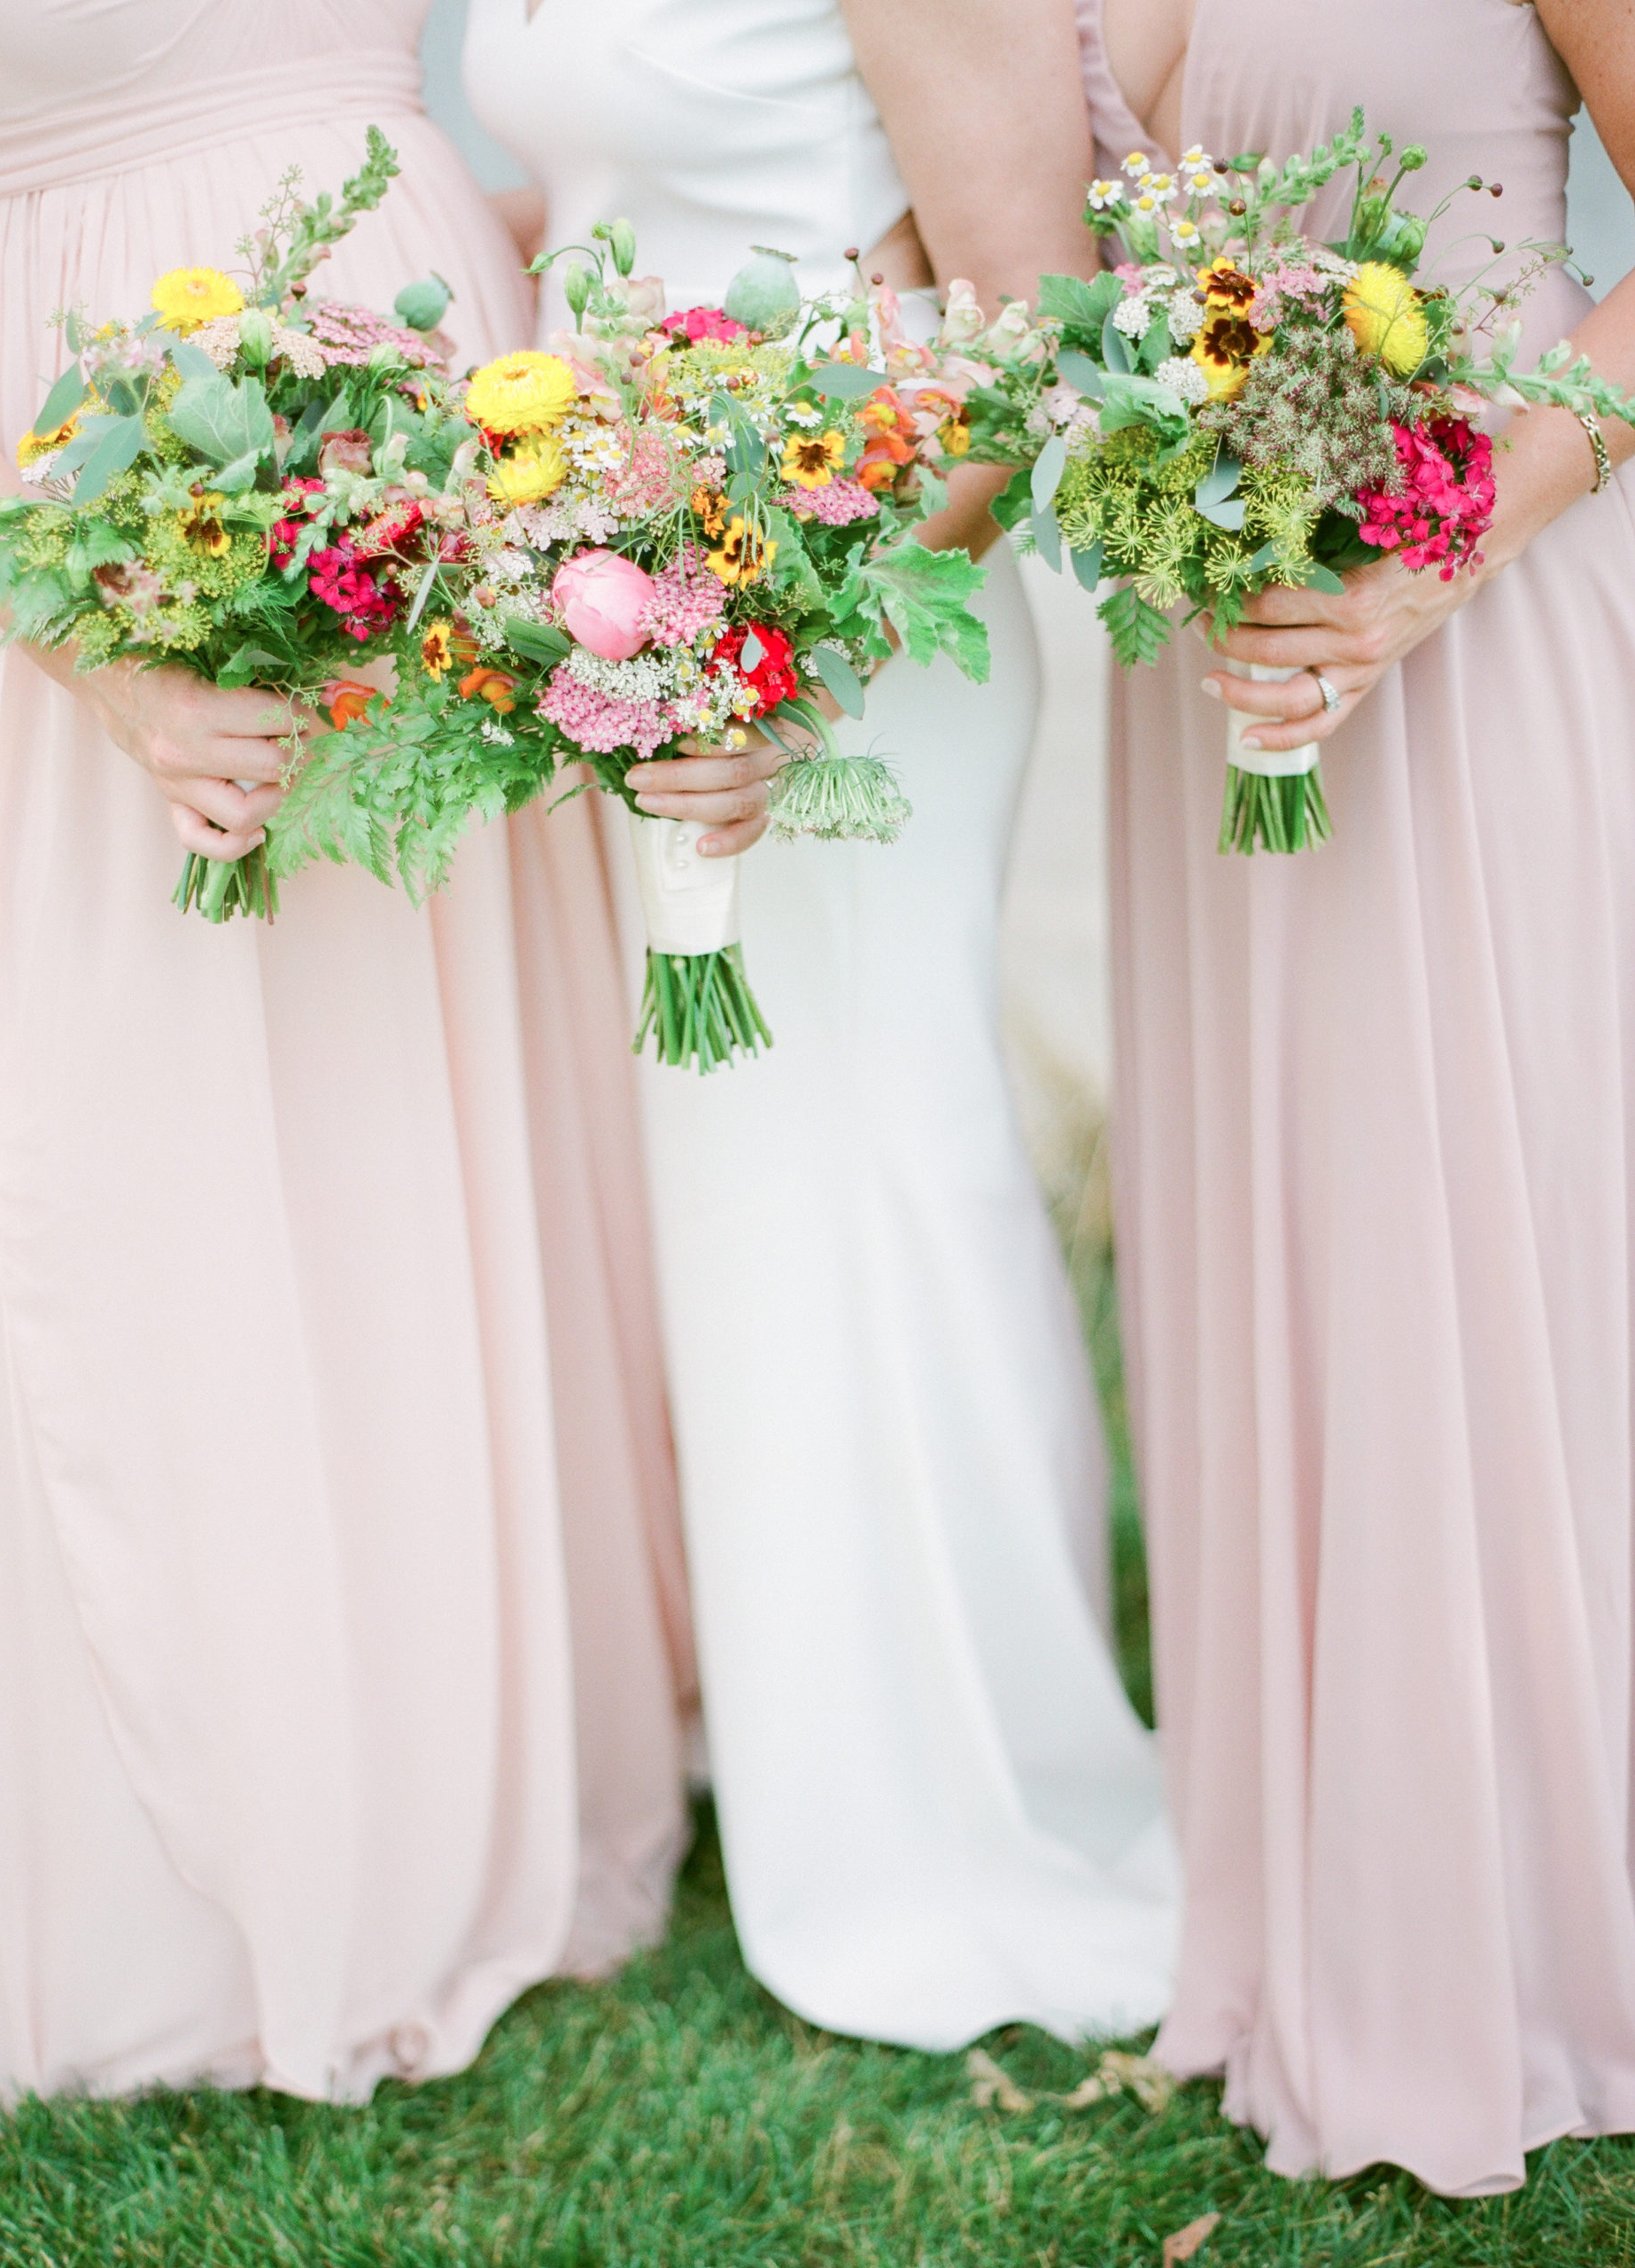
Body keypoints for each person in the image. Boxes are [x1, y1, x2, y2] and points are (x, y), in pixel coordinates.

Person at [0, 0, 709, 2103]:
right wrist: (99, 649)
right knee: (147, 1136)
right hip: (70, 490)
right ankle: (212, 1851)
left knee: (412, 1145)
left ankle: (466, 1756)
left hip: (442, 511)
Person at [462, 0, 1179, 2050]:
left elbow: (1032, 315)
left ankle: (988, 1805)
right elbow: (615, 190)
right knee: (759, 1215)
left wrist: (792, 661)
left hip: (855, 633)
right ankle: (820, 1752)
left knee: (885, 1179)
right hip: (643, 604)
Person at [1087, 0, 1635, 2194]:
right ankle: (1339, 1891)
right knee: (1299, 1248)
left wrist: (1461, 528)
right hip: (1218, 654)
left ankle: (1540, 1904)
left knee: (1513, 1233)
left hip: (1487, 615)